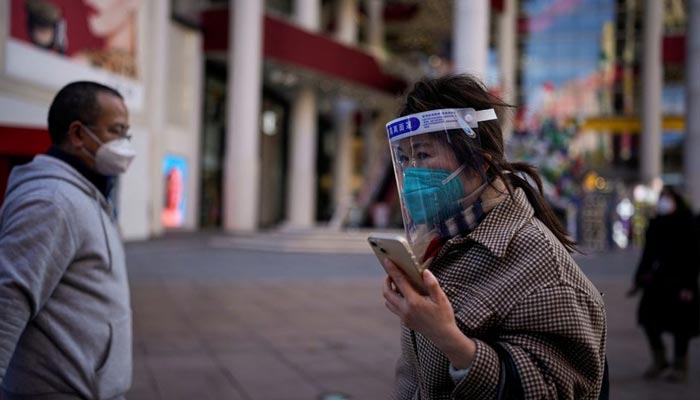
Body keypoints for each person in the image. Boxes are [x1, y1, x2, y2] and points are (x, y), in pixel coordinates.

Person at [379, 74, 608, 399]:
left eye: (424, 155)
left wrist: (448, 338)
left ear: (481, 164)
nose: (412, 170)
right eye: (405, 159)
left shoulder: (541, 266)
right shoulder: (443, 239)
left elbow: (554, 390)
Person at [0, 81, 136, 399]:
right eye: (116, 131)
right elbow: (8, 297)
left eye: (126, 133)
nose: (124, 144)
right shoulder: (53, 201)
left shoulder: (88, 193)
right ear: (77, 134)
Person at [627, 186, 700, 382]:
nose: (664, 202)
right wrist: (638, 281)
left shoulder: (687, 223)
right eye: (662, 198)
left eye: (668, 198)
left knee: (680, 326)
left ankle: (680, 365)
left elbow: (693, 257)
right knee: (648, 319)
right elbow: (647, 256)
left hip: (680, 282)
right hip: (657, 283)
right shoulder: (656, 224)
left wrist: (689, 287)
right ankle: (659, 360)